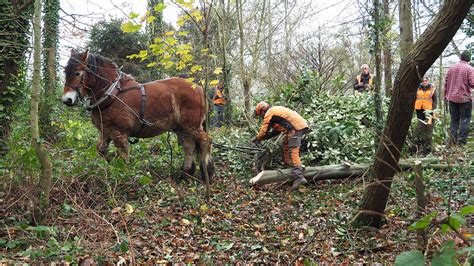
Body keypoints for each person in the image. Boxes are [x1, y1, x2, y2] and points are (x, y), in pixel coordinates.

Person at [252, 101, 309, 190]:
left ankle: (299, 177)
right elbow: (277, 130)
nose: (261, 117)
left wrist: (258, 138)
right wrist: (266, 137)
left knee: (293, 151)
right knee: (285, 143)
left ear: (262, 111)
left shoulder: (269, 112)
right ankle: (289, 164)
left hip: (296, 128)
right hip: (299, 125)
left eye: (260, 115)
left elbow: (264, 130)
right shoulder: (275, 112)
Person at [444, 51, 474, 146]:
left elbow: (446, 83)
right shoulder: (469, 69)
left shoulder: (451, 68)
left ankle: (452, 141)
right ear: (468, 59)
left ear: (461, 58)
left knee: (454, 119)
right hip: (464, 98)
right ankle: (461, 142)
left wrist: (445, 95)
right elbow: (473, 83)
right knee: (465, 119)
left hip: (451, 98)